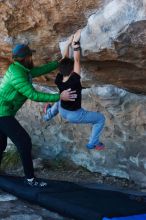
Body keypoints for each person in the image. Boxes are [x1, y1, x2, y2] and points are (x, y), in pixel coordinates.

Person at [0, 44, 77, 187]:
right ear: (25, 58)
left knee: (1, 144)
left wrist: (57, 63)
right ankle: (30, 180)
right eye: (30, 55)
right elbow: (33, 95)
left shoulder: (20, 69)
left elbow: (38, 70)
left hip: (3, 112)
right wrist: (59, 96)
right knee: (24, 142)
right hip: (2, 114)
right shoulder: (18, 74)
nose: (32, 58)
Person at [44, 30, 106, 150]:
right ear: (72, 70)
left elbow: (65, 60)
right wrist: (75, 44)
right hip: (75, 115)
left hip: (63, 110)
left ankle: (48, 115)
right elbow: (76, 60)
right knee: (100, 119)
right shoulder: (74, 81)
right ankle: (93, 143)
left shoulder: (59, 78)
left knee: (59, 99)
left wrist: (68, 44)